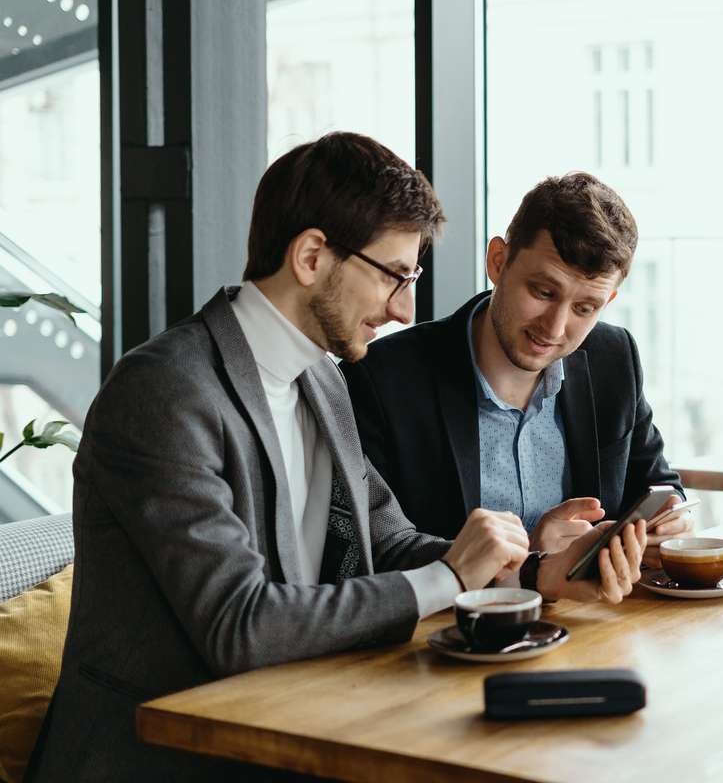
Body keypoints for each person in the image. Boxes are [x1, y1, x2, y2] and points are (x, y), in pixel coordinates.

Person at [31, 134, 646, 782]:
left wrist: (534, 575)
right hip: (161, 759)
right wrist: (452, 577)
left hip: (295, 725)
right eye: (393, 276)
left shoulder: (321, 379)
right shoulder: (166, 390)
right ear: (311, 257)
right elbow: (241, 626)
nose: (405, 308)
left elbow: (388, 541)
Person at [341, 172, 690, 563]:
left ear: (607, 302)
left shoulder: (614, 358)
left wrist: (670, 515)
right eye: (543, 292)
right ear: (498, 261)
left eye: (584, 308)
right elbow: (377, 554)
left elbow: (656, 482)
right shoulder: (383, 378)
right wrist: (531, 559)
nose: (554, 328)